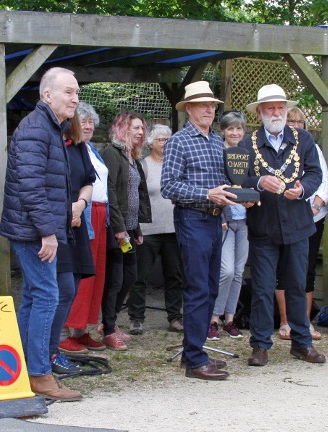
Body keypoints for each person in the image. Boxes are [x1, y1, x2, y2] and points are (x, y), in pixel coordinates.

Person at [0, 67, 82, 401]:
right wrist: (48, 232)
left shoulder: (48, 127)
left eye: (76, 92)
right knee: (47, 295)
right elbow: (31, 188)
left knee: (36, 295)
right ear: (47, 95)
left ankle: (22, 369)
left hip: (35, 228)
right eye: (68, 92)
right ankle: (38, 374)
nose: (75, 98)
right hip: (34, 231)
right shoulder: (36, 129)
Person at [239, 84, 326, 366]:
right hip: (263, 227)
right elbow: (237, 180)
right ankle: (261, 345)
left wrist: (303, 190)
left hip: (298, 225)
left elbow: (315, 173)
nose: (276, 112)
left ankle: (302, 343)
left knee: (297, 286)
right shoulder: (246, 144)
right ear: (260, 112)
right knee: (263, 289)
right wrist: (258, 182)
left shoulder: (304, 139)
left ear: (286, 111)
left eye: (280, 108)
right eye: (270, 108)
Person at [161, 81, 238, 380]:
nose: (209, 109)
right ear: (189, 108)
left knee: (210, 288)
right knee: (197, 289)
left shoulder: (218, 142)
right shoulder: (179, 141)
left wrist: (229, 208)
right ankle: (194, 360)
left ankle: (197, 352)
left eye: (213, 105)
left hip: (215, 220)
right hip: (192, 219)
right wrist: (208, 195)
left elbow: (226, 183)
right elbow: (169, 186)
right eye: (203, 104)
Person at [48, 106, 96, 373]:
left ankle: (51, 351)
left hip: (76, 224)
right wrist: (67, 210)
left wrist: (80, 204)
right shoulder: (46, 141)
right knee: (62, 289)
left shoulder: (77, 145)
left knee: (72, 287)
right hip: (52, 225)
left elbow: (89, 181)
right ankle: (48, 352)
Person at [275, 106, 328, 341]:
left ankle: (305, 323)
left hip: (312, 219)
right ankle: (286, 322)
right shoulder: (278, 147)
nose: (296, 125)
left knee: (306, 271)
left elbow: (323, 182)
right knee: (283, 270)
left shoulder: (313, 147)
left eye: (300, 122)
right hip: (283, 219)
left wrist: (314, 207)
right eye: (292, 121)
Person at [100, 111, 151, 350]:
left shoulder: (132, 157)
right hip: (115, 229)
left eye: (142, 128)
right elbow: (110, 192)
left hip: (129, 229)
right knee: (115, 280)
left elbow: (134, 196)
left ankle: (108, 323)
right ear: (122, 128)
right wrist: (119, 228)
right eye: (136, 128)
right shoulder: (111, 153)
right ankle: (109, 329)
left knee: (129, 278)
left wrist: (136, 227)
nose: (141, 132)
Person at [128, 124, 185, 335]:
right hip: (148, 229)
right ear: (151, 143)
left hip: (173, 229)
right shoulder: (142, 166)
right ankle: (136, 318)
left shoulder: (177, 165)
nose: (165, 143)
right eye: (161, 140)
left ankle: (175, 317)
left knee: (175, 276)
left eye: (168, 140)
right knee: (139, 275)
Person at [62, 102, 109, 352]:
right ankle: (69, 329)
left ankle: (82, 329)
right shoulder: (70, 147)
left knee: (95, 275)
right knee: (81, 274)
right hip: (84, 214)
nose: (88, 125)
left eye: (91, 121)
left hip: (100, 214)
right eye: (83, 121)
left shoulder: (90, 149)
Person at [208, 111, 249, 341]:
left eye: (239, 129)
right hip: (224, 220)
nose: (235, 133)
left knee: (239, 272)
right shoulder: (217, 152)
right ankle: (213, 318)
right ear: (223, 130)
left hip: (243, 220)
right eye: (231, 128)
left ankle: (230, 319)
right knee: (226, 271)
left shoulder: (246, 154)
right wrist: (221, 216)